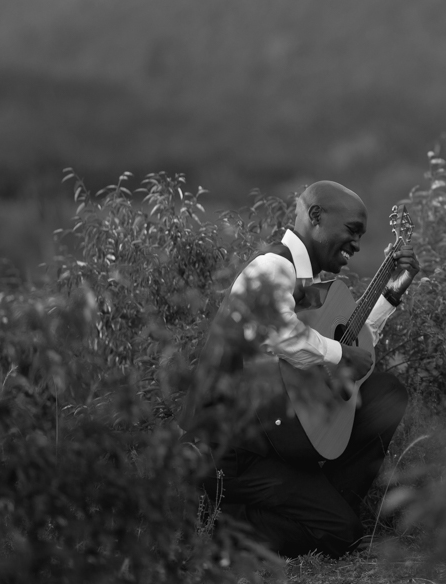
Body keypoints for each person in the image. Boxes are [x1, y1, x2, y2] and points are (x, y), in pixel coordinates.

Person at [179, 180, 419, 558]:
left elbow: (348, 340)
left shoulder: (311, 282)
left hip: (274, 440)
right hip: (232, 451)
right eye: (352, 231)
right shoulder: (273, 268)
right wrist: (339, 356)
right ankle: (225, 529)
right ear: (316, 217)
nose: (356, 245)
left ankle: (324, 504)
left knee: (385, 394)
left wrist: (390, 293)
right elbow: (282, 335)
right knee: (342, 533)